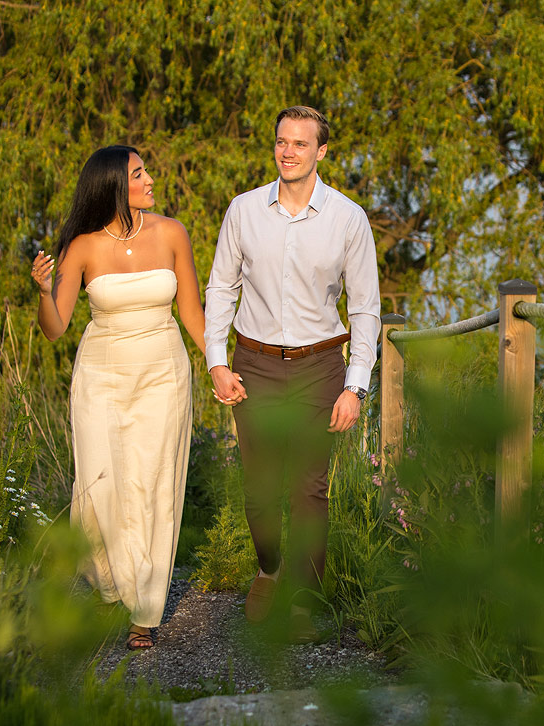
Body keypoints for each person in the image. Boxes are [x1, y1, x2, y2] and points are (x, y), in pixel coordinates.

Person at [204, 105, 381, 643]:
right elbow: (221, 287)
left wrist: (355, 386)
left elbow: (365, 308)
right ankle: (270, 570)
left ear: (321, 151)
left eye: (300, 144)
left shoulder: (348, 219)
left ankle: (304, 600)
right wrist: (216, 360)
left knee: (309, 489)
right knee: (260, 487)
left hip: (319, 366)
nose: (288, 152)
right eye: (282, 141)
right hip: (254, 363)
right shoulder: (243, 210)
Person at [30, 145, 207, 650]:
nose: (150, 180)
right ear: (113, 185)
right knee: (101, 486)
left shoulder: (171, 233)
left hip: (162, 373)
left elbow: (191, 312)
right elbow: (55, 328)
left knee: (154, 484)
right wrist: (43, 291)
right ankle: (111, 582)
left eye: (146, 171)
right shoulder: (82, 246)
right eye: (138, 174)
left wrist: (219, 367)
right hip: (101, 376)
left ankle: (144, 611)